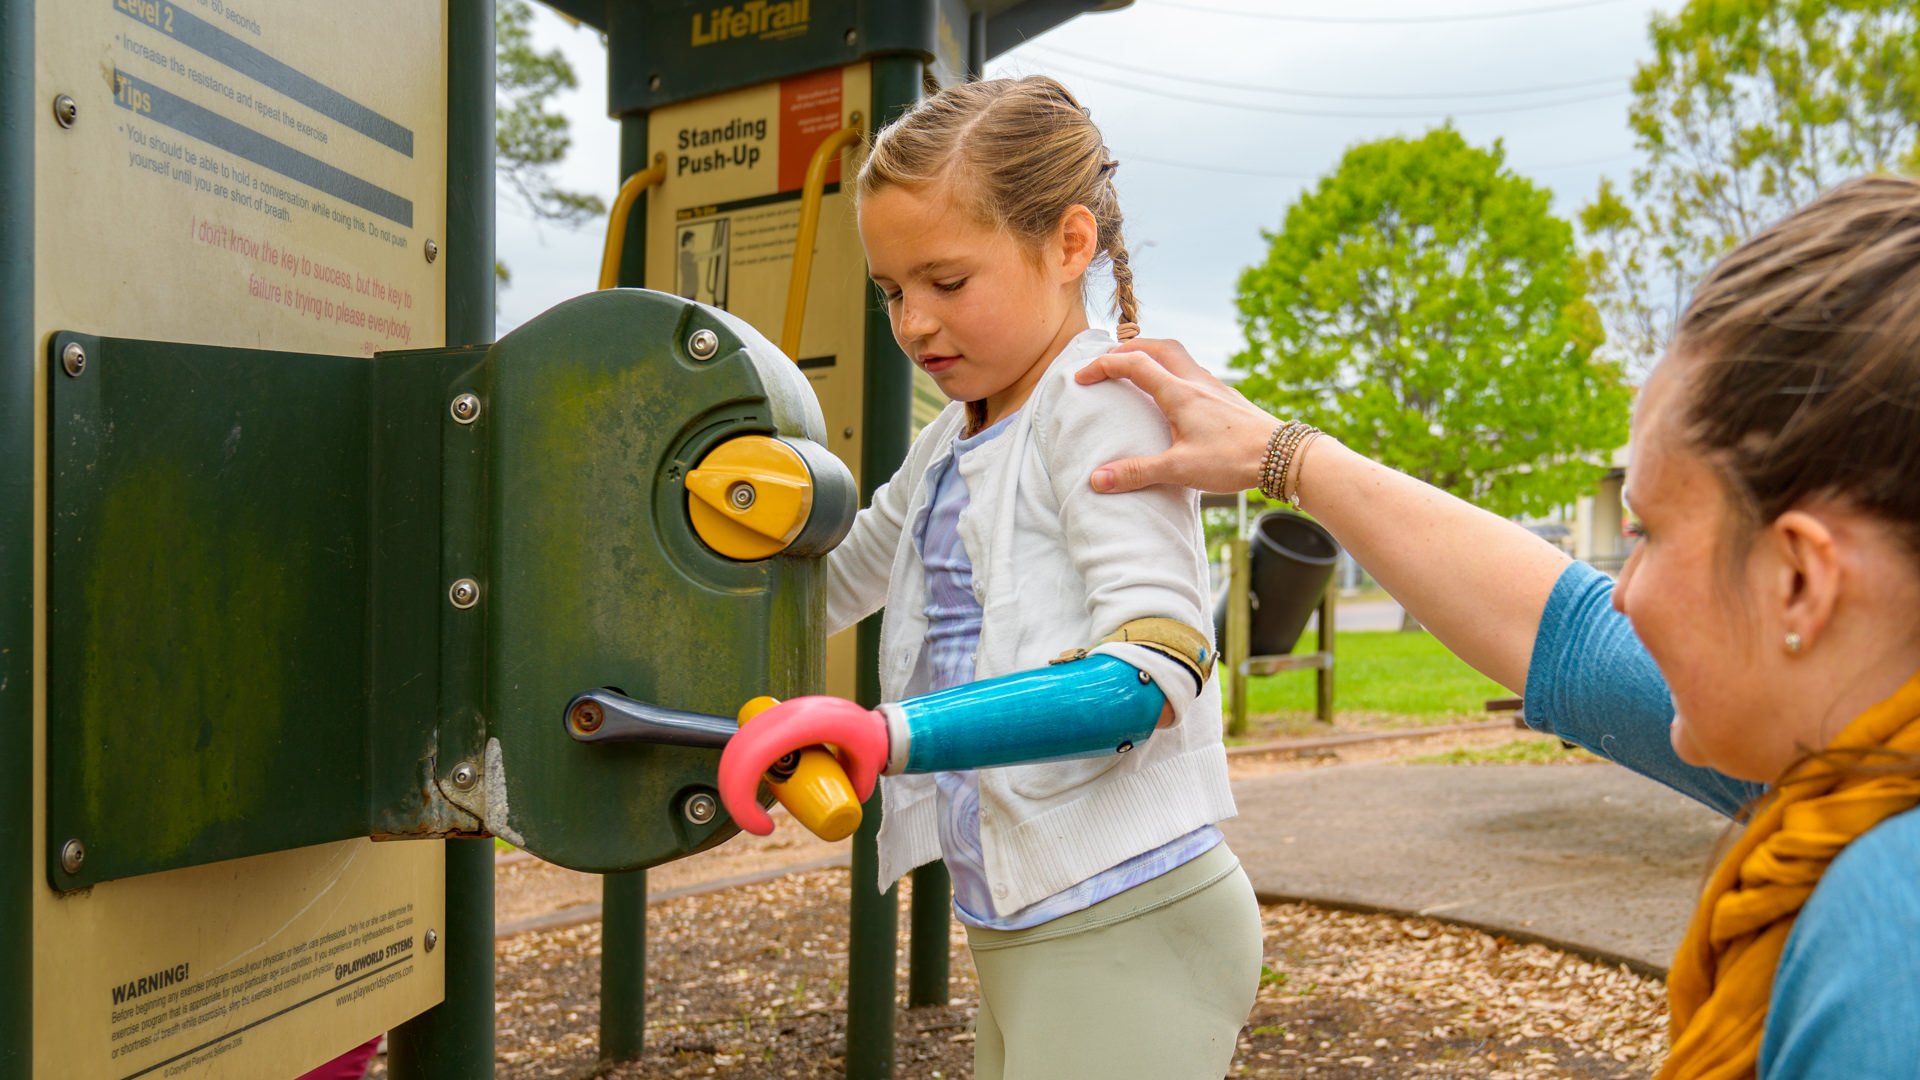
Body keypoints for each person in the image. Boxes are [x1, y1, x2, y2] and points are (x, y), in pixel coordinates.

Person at [1074, 175, 1920, 1078]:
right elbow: (1572, 638)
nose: (1625, 590)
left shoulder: (1885, 930)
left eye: (1651, 534)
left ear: (1799, 581)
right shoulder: (1860, 750)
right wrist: (1287, 457)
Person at [714, 76, 1260, 1079]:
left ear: (1068, 245)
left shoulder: (1097, 404)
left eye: (947, 283)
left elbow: (1152, 671)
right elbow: (828, 583)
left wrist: (886, 734)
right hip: (1023, 918)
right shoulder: (949, 442)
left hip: (1124, 916)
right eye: (891, 292)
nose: (914, 322)